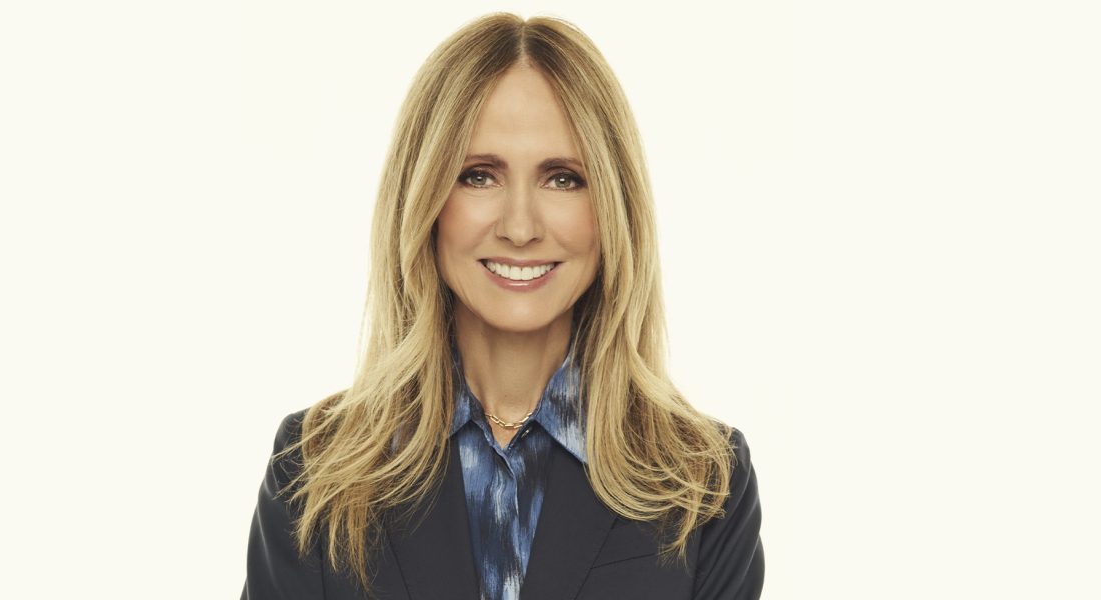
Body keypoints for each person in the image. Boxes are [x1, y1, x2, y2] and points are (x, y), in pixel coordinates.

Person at [241, 12, 764, 600]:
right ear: (425, 200)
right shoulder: (316, 474)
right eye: (479, 176)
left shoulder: (702, 484)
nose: (519, 227)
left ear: (613, 208)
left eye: (562, 178)